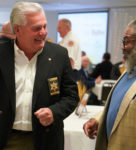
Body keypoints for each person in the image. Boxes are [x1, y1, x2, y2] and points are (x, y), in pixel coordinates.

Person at [0, 2, 79, 150]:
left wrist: (53, 112)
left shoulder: (59, 55)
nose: (43, 32)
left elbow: (72, 96)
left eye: (45, 26)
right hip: (7, 139)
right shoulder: (1, 54)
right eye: (36, 28)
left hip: (46, 140)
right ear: (18, 29)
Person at [83, 13, 136, 150]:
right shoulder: (130, 71)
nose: (122, 47)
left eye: (126, 42)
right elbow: (120, 107)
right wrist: (98, 120)